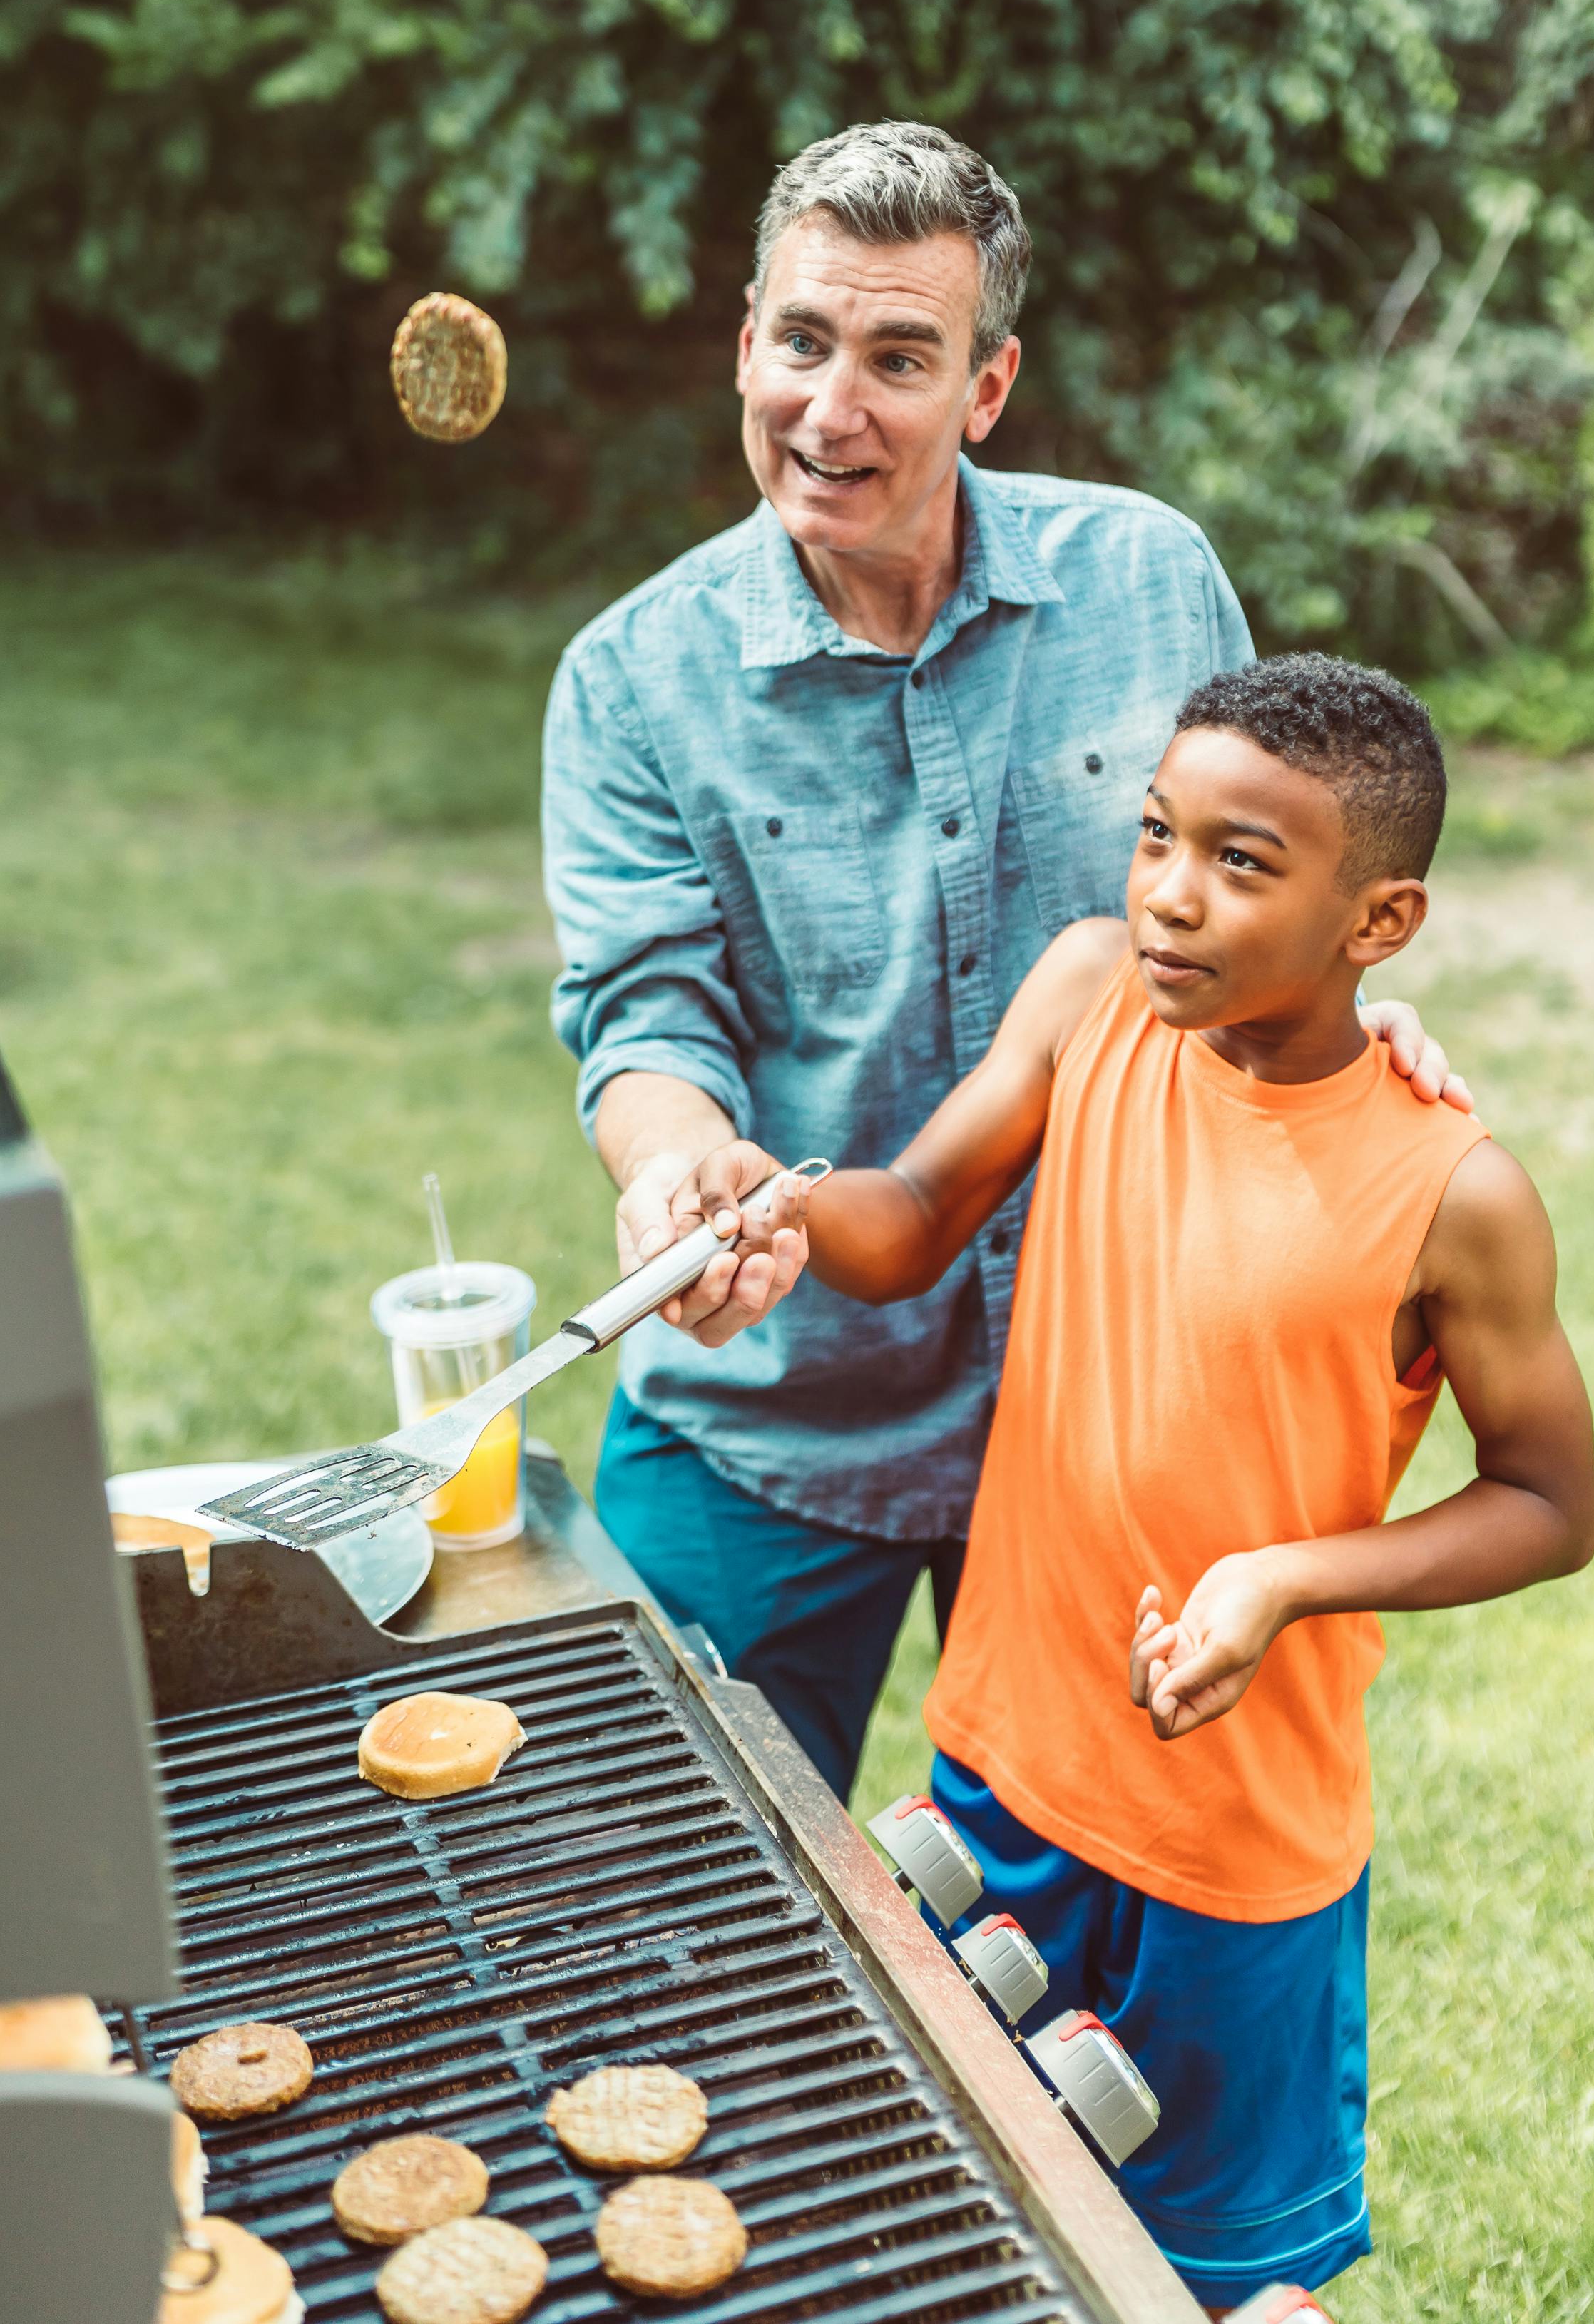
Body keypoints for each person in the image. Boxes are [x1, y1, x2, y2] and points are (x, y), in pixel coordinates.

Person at [542, 123, 1469, 1799]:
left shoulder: (1150, 578)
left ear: (987, 385)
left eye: (903, 357)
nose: (835, 410)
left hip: (1109, 1421)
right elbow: (643, 1002)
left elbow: (1269, 867)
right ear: (746, 343)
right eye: (803, 343)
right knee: (677, 1894)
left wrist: (1332, 1007)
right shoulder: (629, 681)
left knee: (1112, 1949)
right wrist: (681, 1170)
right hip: (764, 1406)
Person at [666, 656, 1594, 2313]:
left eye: (1244, 865)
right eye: (1158, 835)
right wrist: (783, 1205)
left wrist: (1282, 1579)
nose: (1171, 895)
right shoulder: (1091, 991)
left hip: (1234, 1850)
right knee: (976, 2215)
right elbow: (915, 1211)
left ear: (1380, 924)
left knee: (1219, 2281)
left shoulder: (1455, 1190)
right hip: (1002, 1766)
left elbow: (1547, 1501)